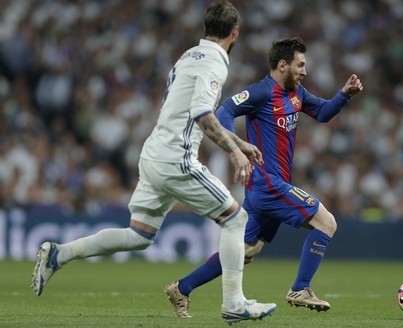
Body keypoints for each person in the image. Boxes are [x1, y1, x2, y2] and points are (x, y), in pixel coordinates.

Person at [31, 1, 277, 323]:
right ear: (235, 31)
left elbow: (194, 108)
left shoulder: (189, 55)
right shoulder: (216, 61)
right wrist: (231, 152)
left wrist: (238, 142)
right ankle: (234, 302)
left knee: (139, 235)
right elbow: (202, 115)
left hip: (154, 153)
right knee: (235, 219)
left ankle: (60, 254)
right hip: (177, 158)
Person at [163, 37, 363, 318]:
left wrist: (344, 94)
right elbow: (223, 112)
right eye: (300, 65)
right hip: (268, 184)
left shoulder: (298, 94)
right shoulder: (260, 93)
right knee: (327, 223)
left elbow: (323, 113)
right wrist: (236, 146)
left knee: (245, 251)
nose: (304, 71)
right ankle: (301, 287)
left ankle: (182, 288)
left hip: (269, 186)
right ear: (283, 65)